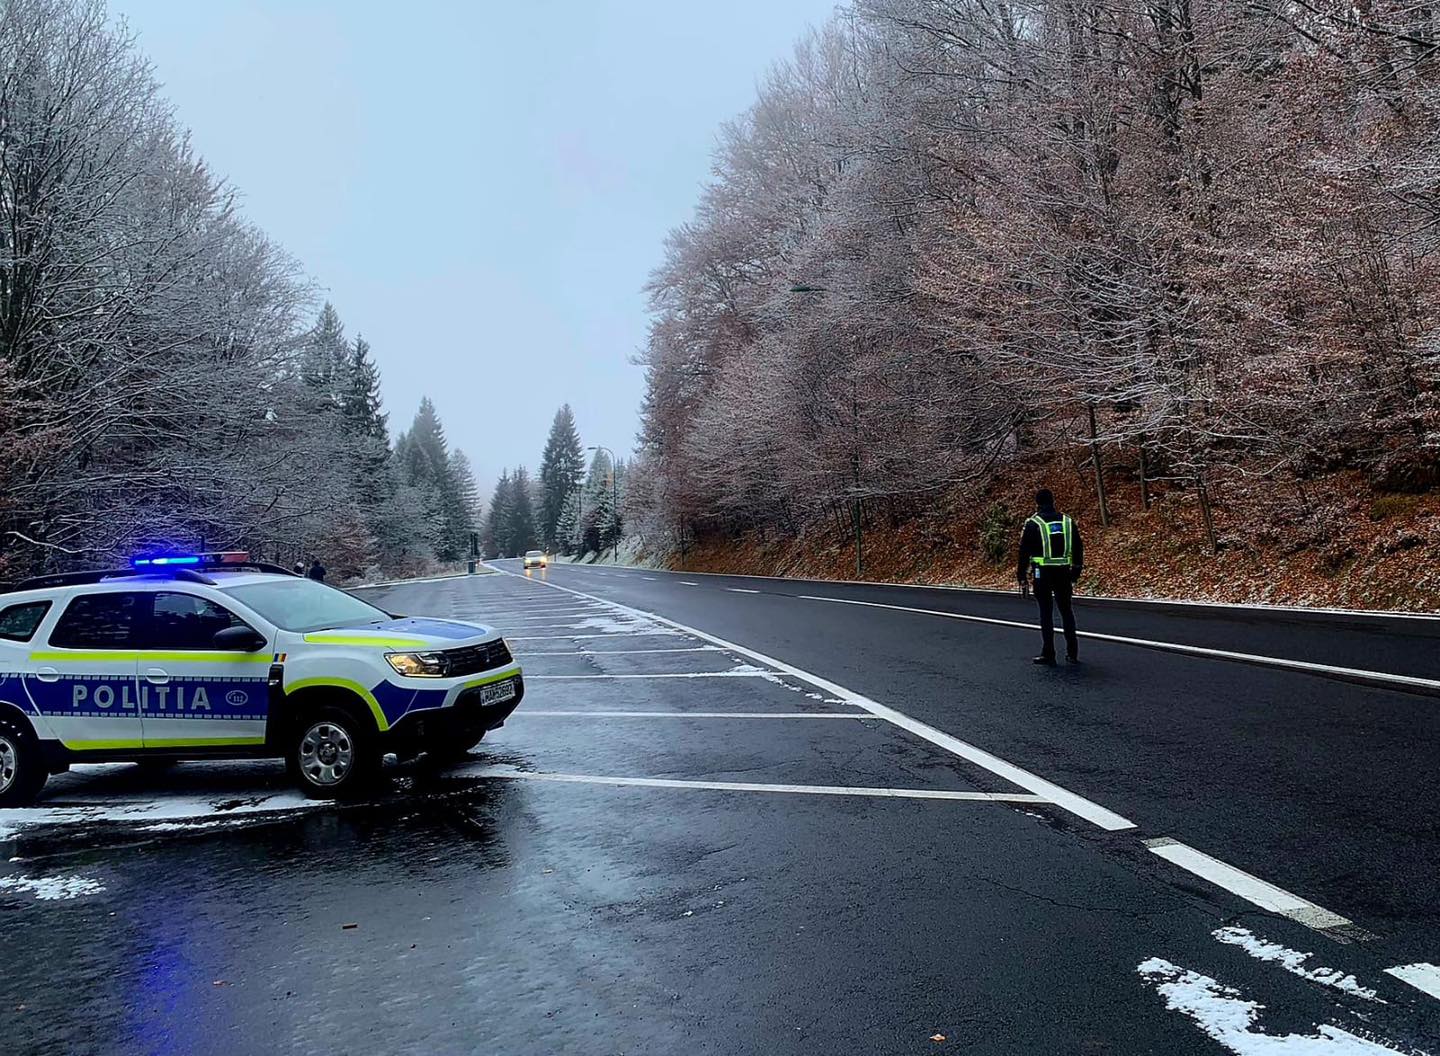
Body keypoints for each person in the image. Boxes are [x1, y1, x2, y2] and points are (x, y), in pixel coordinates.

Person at [1016, 488, 1084, 665]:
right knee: (1066, 611)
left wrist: (1021, 577)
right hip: (1064, 572)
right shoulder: (1068, 521)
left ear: (1037, 503)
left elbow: (1023, 552)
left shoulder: (1033, 523)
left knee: (1046, 612)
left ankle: (1049, 653)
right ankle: (1072, 653)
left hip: (1042, 573)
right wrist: (1075, 572)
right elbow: (1078, 548)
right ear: (1053, 501)